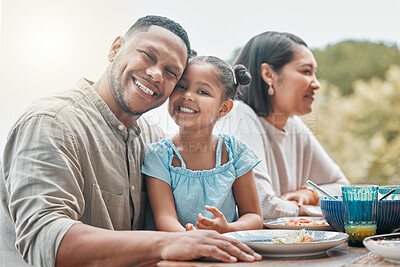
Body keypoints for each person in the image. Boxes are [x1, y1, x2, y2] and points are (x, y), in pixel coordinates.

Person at [0, 15, 261, 267]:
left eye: (171, 73)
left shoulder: (151, 138)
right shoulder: (52, 123)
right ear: (115, 49)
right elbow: (45, 239)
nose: (157, 74)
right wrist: (167, 243)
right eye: (148, 56)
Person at [214, 31, 350, 220]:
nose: (316, 83)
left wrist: (310, 194)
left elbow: (343, 187)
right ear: (268, 74)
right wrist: (304, 210)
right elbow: (264, 206)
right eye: (306, 71)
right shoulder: (239, 115)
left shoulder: (294, 125)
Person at [142, 56, 263, 234]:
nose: (187, 95)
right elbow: (164, 218)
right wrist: (191, 237)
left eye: (203, 92)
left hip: (223, 251)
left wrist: (228, 228)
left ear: (223, 109)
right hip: (177, 250)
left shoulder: (235, 153)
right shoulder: (159, 156)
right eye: (181, 86)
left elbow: (253, 216)